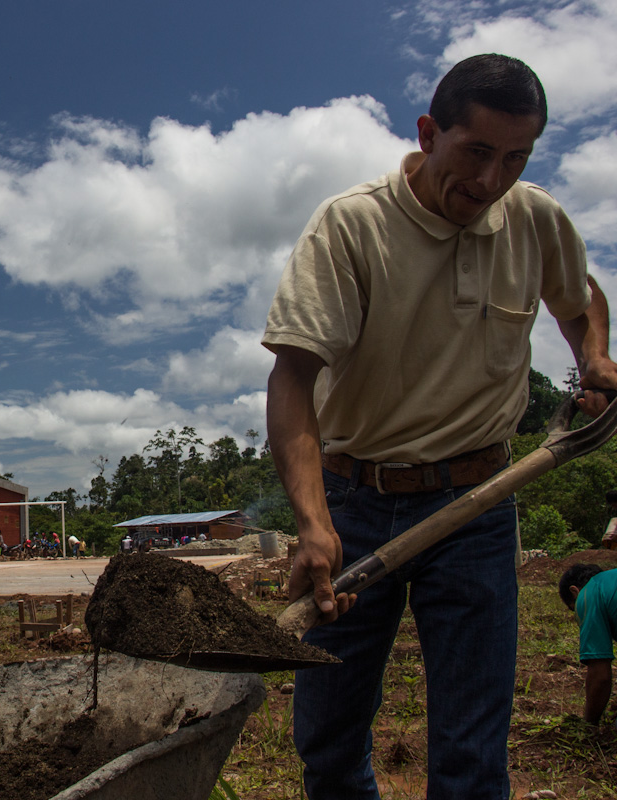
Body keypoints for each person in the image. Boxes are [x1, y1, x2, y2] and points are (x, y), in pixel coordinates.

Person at [262, 53, 617, 798]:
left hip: (480, 504)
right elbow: (293, 379)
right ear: (429, 133)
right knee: (328, 741)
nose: (491, 182)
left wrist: (596, 354)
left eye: (515, 158)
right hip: (355, 506)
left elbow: (579, 294)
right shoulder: (352, 225)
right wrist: (314, 524)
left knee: (471, 755)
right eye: (477, 153)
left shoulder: (534, 217)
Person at [559, 564, 617, 725]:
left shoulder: (588, 593)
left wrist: (588, 725)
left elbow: (601, 675)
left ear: (574, 591)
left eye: (574, 609)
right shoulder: (611, 584)